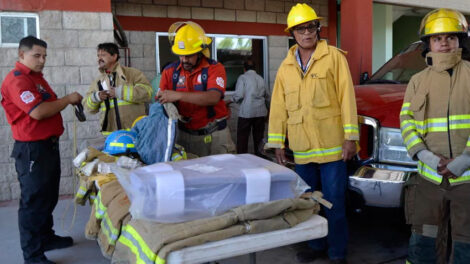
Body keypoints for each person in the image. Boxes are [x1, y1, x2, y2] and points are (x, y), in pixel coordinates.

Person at [265, 3, 358, 264]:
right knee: (307, 203)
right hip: (302, 150)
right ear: (292, 34)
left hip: (332, 148)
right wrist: (277, 142)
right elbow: (279, 107)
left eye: (311, 27)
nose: (307, 33)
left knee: (334, 204)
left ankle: (337, 252)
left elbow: (347, 98)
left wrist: (351, 137)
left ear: (318, 29)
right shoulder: (285, 67)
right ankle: (315, 246)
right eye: (300, 29)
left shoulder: (335, 58)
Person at [0, 36, 83, 264]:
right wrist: (67, 99)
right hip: (32, 150)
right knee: (33, 203)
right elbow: (37, 111)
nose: (42, 60)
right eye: (37, 55)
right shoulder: (18, 80)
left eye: (44, 55)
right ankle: (33, 255)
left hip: (47, 147)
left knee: (48, 197)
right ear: (21, 55)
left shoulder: (36, 79)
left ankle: (46, 238)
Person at [400, 8, 470, 264]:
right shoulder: (417, 81)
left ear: (460, 40)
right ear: (427, 43)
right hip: (430, 179)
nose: (444, 43)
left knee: (466, 242)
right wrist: (425, 156)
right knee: (425, 240)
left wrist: (464, 161)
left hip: (467, 181)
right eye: (437, 38)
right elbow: (406, 122)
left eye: (450, 37)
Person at [157, 21, 235, 157]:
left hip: (215, 136)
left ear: (200, 52)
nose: (184, 60)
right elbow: (161, 101)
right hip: (184, 136)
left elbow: (213, 97)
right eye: (181, 55)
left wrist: (178, 95)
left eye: (189, 55)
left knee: (220, 177)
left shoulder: (215, 69)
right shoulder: (170, 72)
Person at [83, 42, 152, 135]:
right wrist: (96, 97)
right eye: (98, 55)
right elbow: (88, 109)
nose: (99, 58)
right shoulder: (98, 82)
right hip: (110, 138)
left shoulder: (133, 74)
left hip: (135, 133)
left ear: (114, 56)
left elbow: (147, 93)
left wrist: (120, 92)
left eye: (103, 55)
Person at [231, 59, 269, 156]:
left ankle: (242, 161)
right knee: (259, 140)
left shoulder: (242, 77)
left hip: (246, 113)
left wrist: (229, 101)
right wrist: (268, 111)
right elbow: (267, 96)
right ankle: (259, 161)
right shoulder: (261, 78)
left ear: (244, 69)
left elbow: (239, 95)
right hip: (261, 112)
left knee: (242, 140)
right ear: (254, 68)